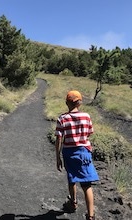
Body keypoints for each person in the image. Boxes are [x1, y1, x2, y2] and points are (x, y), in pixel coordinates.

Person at [55, 90, 99, 220]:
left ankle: (73, 202)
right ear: (79, 103)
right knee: (86, 185)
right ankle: (90, 216)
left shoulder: (62, 118)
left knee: (72, 178)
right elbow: (90, 132)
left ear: (66, 103)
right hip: (84, 151)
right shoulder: (86, 116)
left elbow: (58, 139)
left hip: (69, 153)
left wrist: (57, 157)